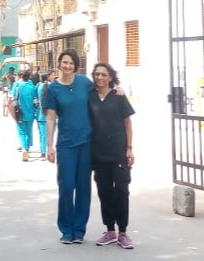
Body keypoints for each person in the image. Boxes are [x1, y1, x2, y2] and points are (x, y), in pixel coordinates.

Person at [45, 49, 94, 245]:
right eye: (65, 62)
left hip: (87, 142)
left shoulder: (84, 82)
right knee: (66, 185)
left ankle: (79, 230)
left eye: (71, 63)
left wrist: (119, 89)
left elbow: (102, 92)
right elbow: (50, 117)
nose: (67, 66)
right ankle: (66, 229)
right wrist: (49, 146)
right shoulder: (53, 88)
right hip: (66, 144)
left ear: (76, 66)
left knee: (83, 187)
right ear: (60, 64)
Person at [89, 62, 136, 250]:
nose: (100, 77)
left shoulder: (118, 96)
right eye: (97, 74)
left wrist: (130, 148)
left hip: (118, 152)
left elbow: (128, 123)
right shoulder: (89, 95)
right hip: (98, 153)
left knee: (122, 191)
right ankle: (110, 230)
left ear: (110, 77)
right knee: (104, 192)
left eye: (104, 74)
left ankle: (123, 232)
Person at [15, 70, 38, 162]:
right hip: (30, 112)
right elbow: (35, 101)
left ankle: (24, 148)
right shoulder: (33, 87)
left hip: (20, 112)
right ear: (29, 77)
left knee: (21, 131)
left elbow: (14, 98)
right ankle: (27, 149)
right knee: (29, 130)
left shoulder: (18, 86)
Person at [36, 72, 51, 161]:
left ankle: (43, 152)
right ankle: (49, 151)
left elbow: (35, 99)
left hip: (41, 114)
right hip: (50, 115)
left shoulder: (38, 86)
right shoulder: (51, 86)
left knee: (42, 135)